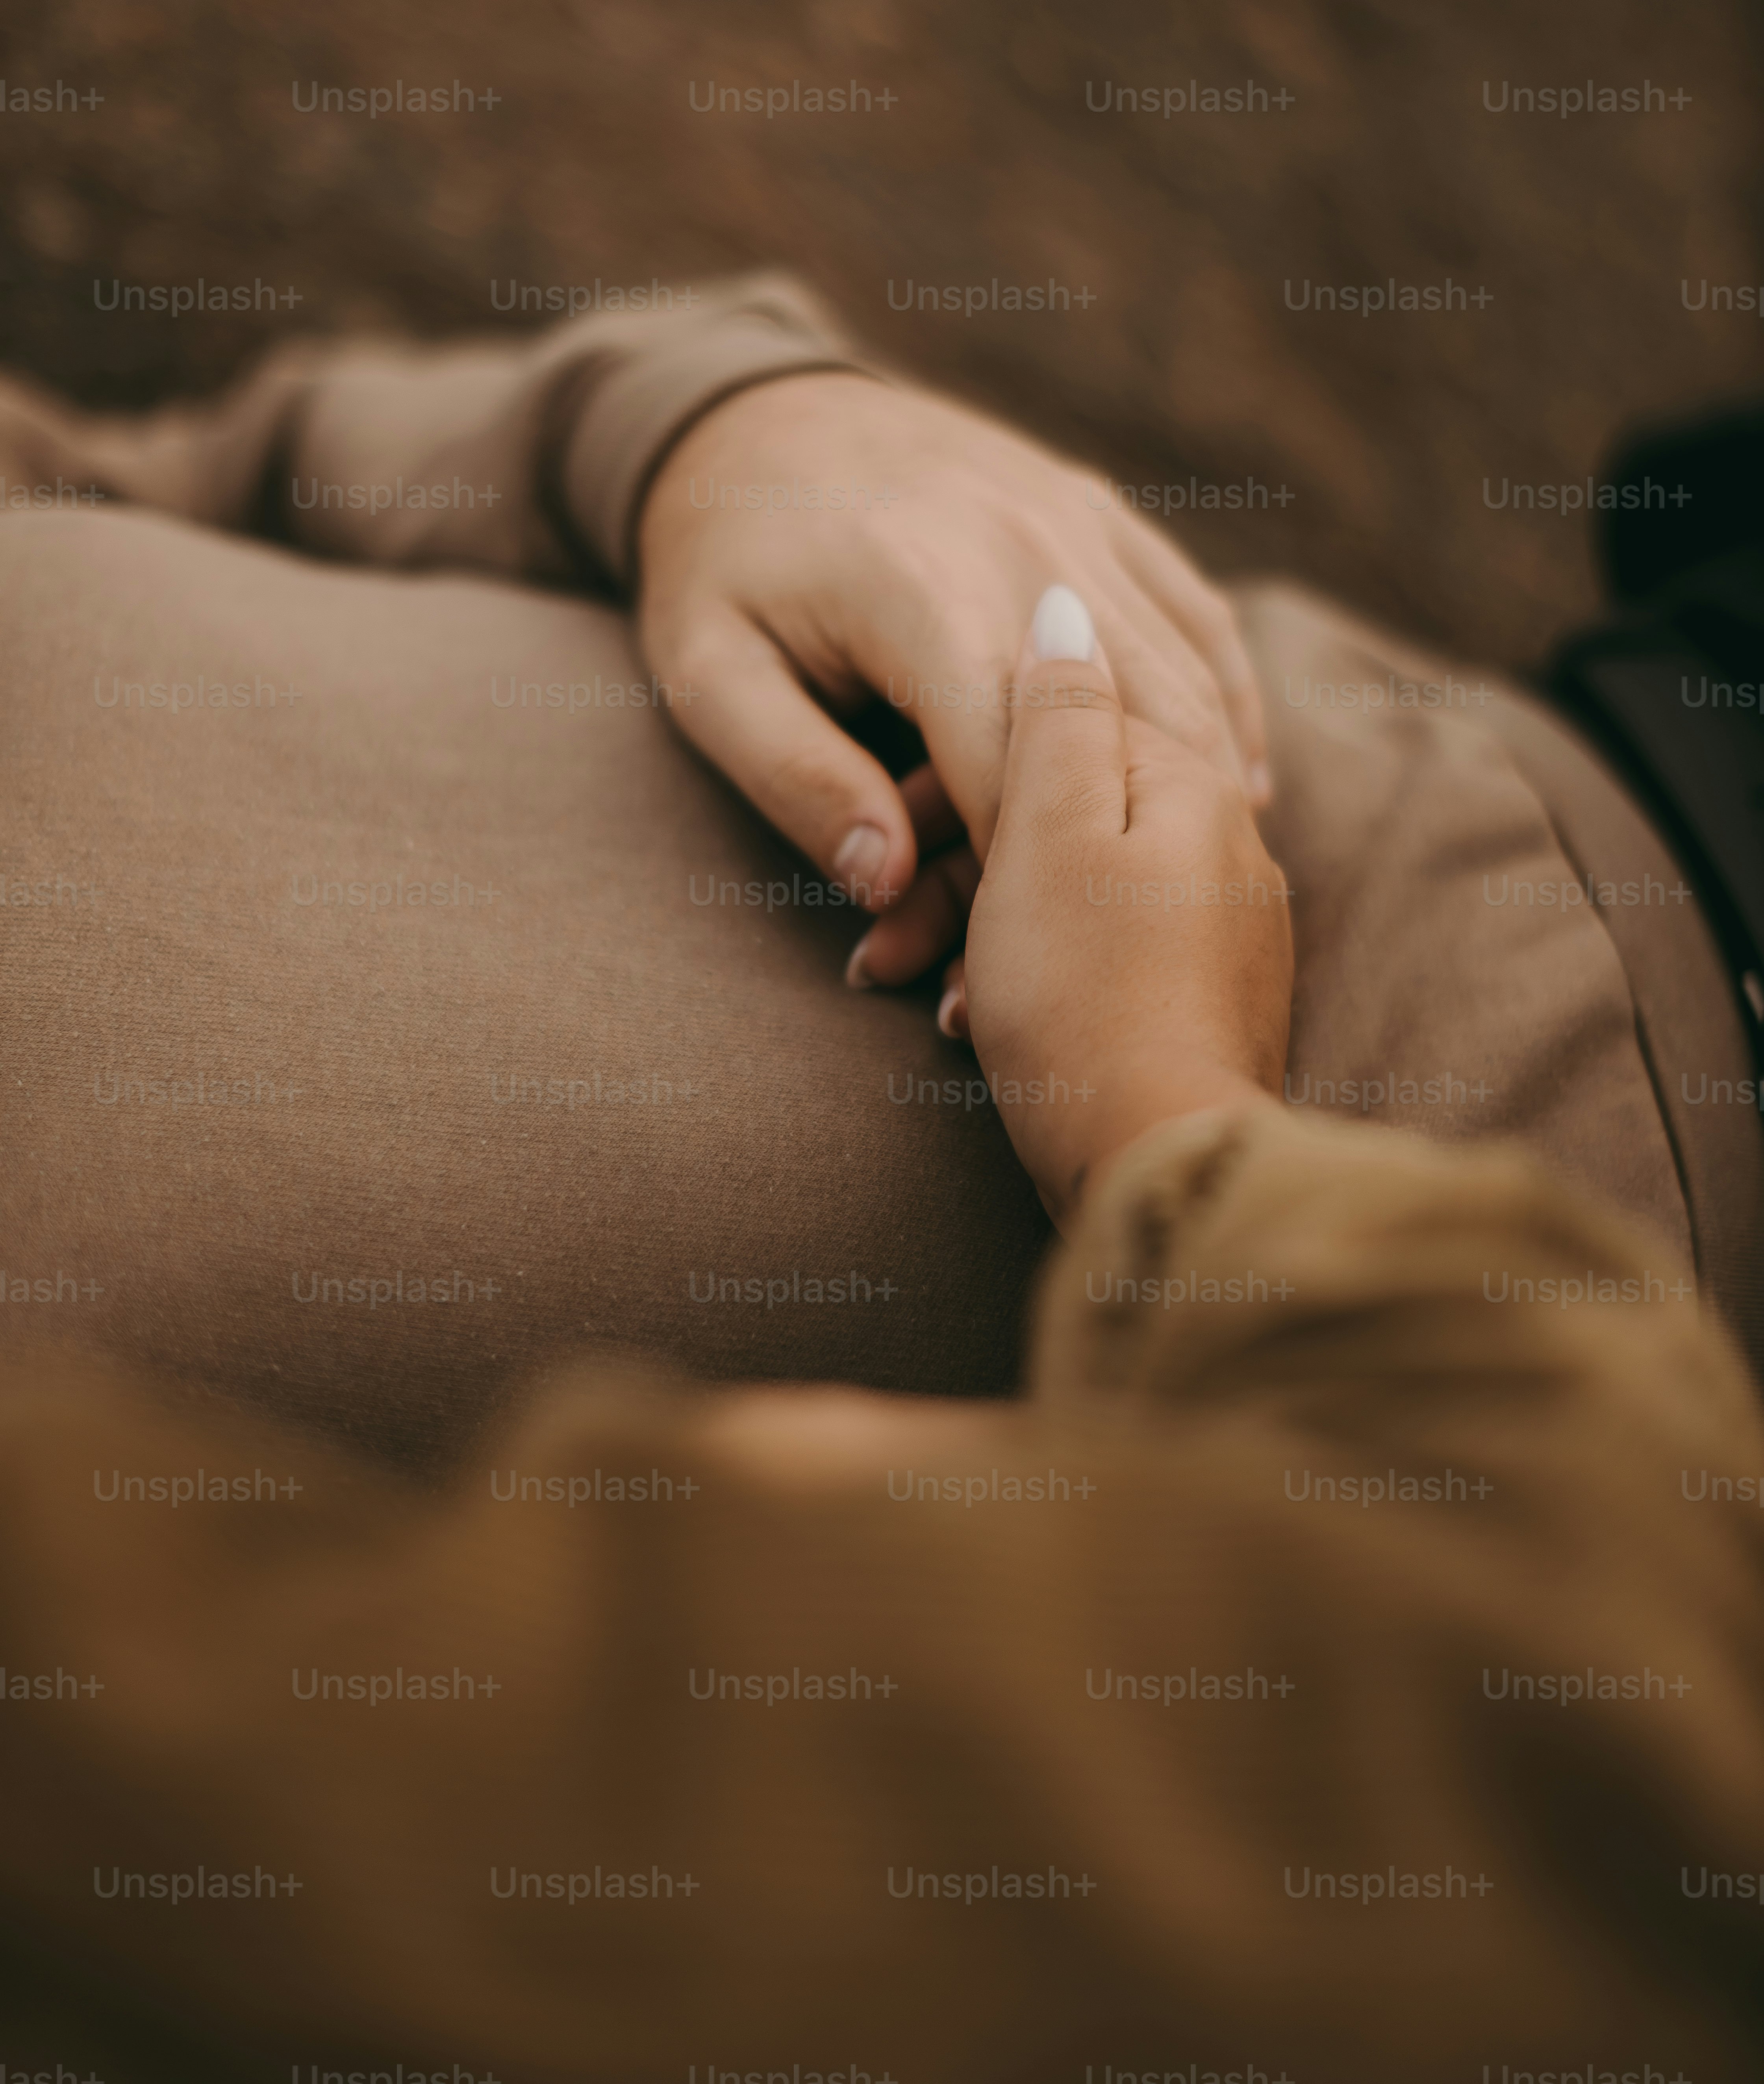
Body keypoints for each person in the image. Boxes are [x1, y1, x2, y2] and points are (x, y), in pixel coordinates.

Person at [2, 275, 1763, 2075]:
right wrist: (1167, 1112)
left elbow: (160, 466)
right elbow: (1512, 1734)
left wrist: (709, 428)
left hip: (1527, 727)